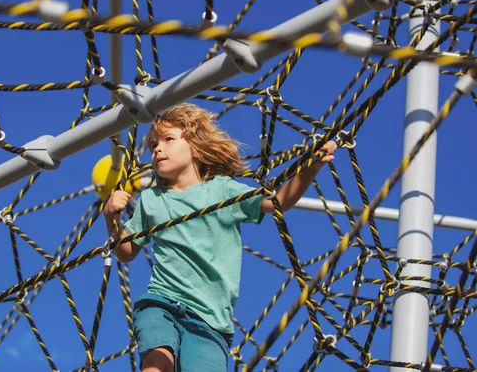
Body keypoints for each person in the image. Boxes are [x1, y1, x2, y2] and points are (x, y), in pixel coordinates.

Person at [103, 103, 337, 372]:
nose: (157, 148)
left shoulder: (222, 191)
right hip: (161, 301)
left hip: (210, 319)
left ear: (196, 146)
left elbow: (279, 201)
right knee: (157, 361)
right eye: (153, 144)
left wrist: (312, 165)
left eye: (168, 140)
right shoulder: (151, 200)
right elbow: (126, 252)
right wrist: (111, 218)